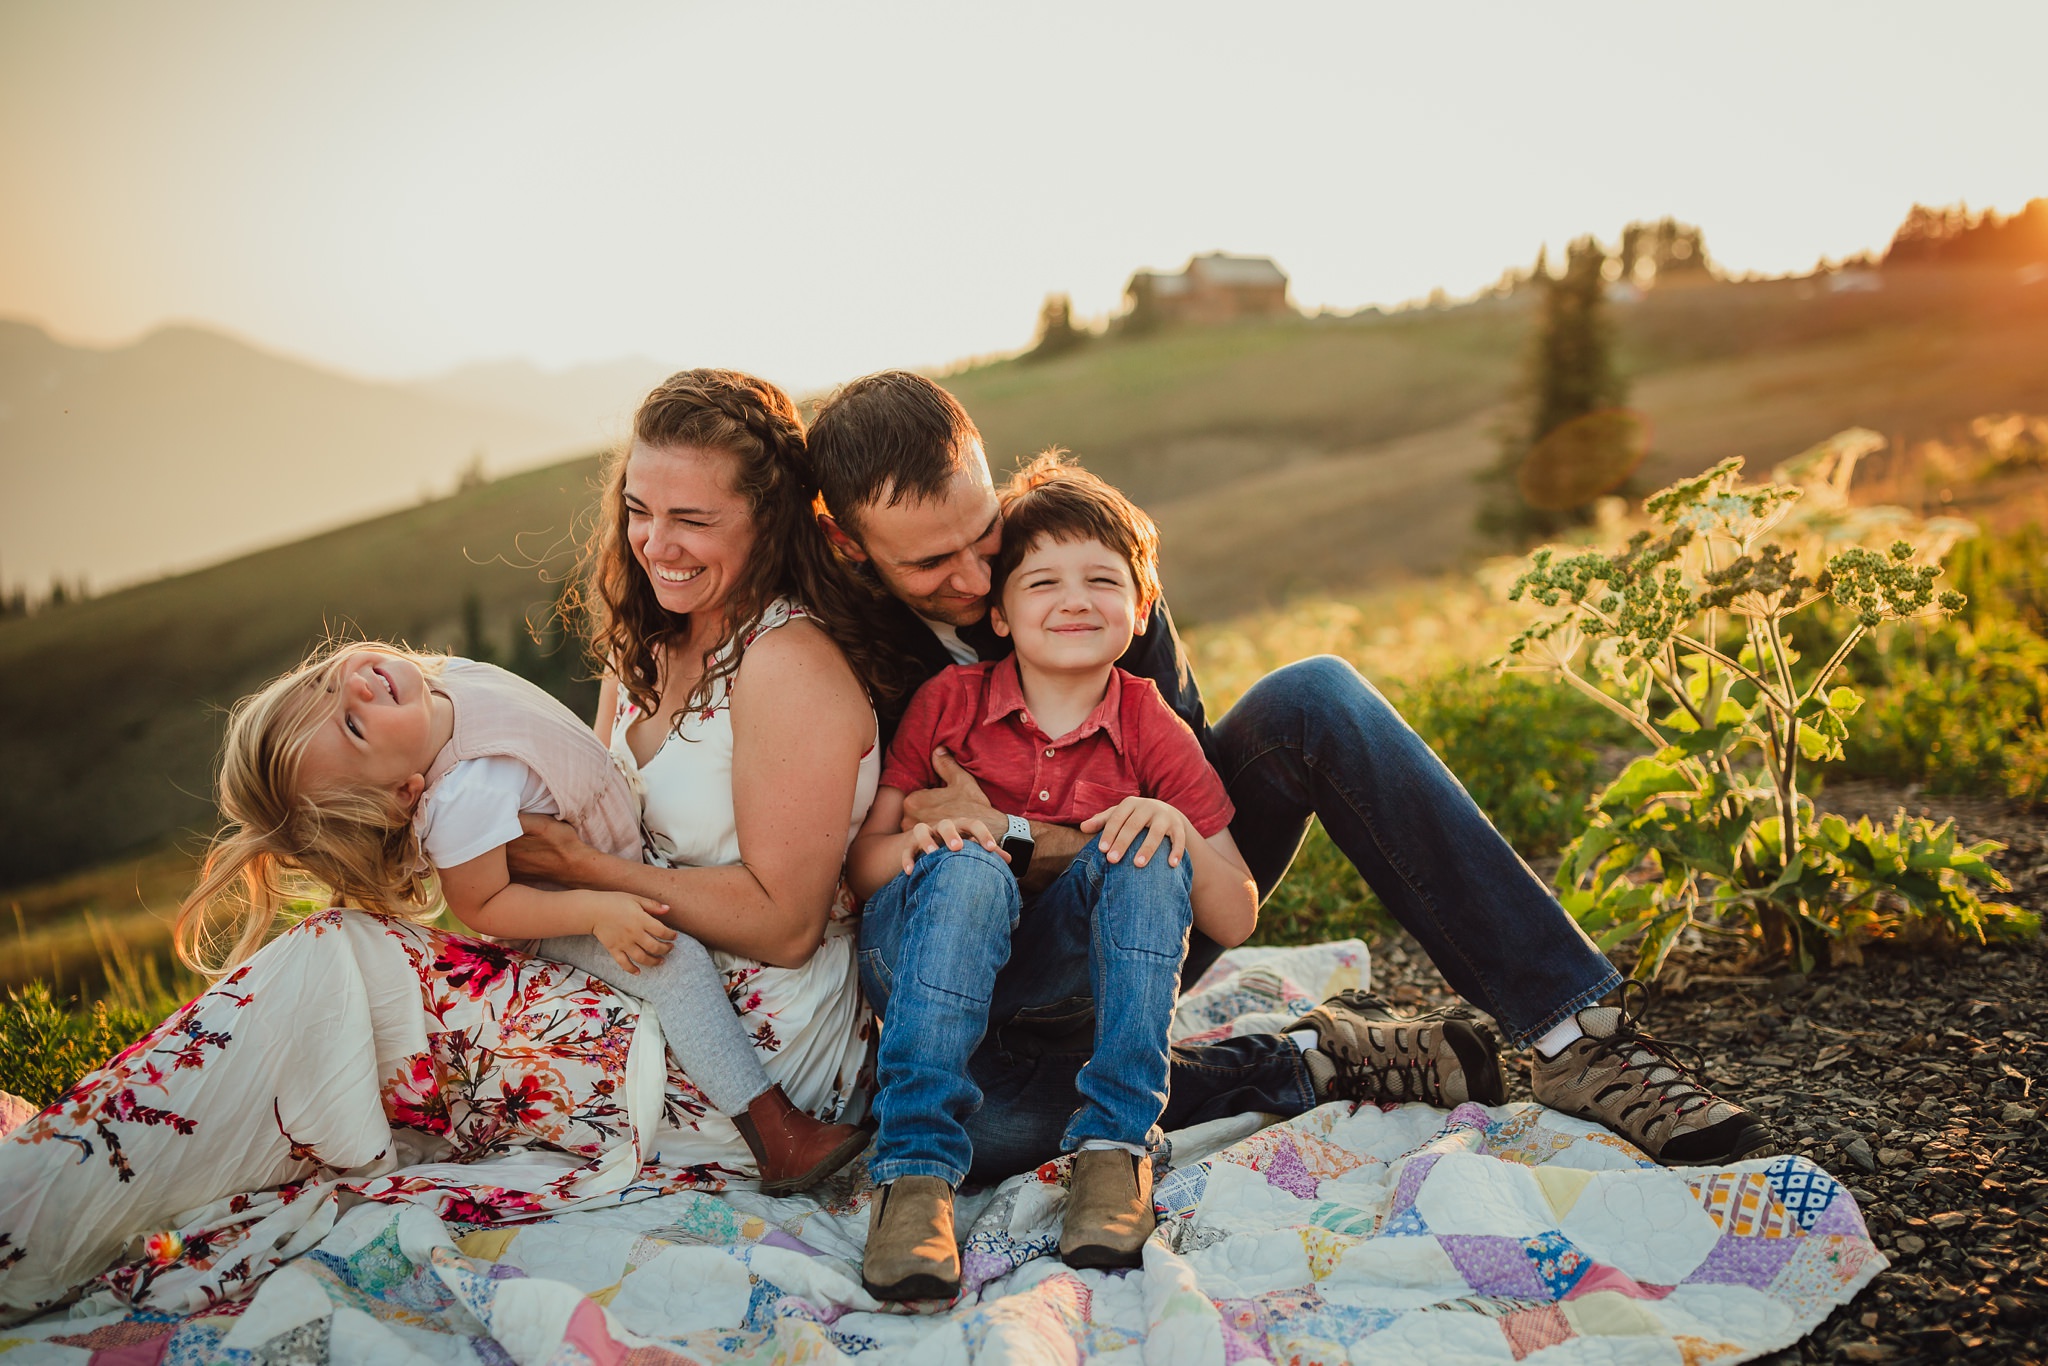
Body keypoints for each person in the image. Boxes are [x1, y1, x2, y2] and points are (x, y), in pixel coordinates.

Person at [0, 369, 900, 1323]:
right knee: (340, 961)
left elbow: (789, 923)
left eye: (693, 519)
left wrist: (584, 873)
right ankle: (59, 1185)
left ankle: (35, 1213)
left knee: (334, 973)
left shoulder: (786, 664)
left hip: (762, 1042)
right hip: (635, 968)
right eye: (639, 510)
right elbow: (575, 809)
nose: (655, 544)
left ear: (768, 521)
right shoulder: (657, 640)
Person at [805, 370, 1773, 1169]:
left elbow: (1175, 811)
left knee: (1315, 694)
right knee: (976, 1128)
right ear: (850, 545)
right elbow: (869, 867)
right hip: (983, 973)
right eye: (933, 565)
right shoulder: (841, 647)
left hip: (1140, 912)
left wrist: (1028, 835)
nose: (977, 580)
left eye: (983, 537)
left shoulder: (1067, 557)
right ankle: (1306, 1059)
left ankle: (1574, 1038)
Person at [176, 638, 868, 1196]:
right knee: (670, 959)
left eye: (325, 685)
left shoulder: (440, 680)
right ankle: (776, 1135)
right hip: (554, 912)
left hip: (606, 854)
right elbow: (489, 907)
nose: (358, 687)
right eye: (354, 728)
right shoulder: (462, 791)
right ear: (403, 791)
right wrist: (596, 912)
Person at [848, 454, 1264, 1296]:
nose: (1074, 600)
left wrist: (1176, 826)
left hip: (1047, 990)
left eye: (1101, 580)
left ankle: (1113, 1152)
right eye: (1042, 583)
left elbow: (1240, 915)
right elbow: (863, 869)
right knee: (969, 868)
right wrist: (940, 845)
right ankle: (915, 1173)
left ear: (1140, 606)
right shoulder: (949, 703)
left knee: (1147, 845)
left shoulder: (1151, 723)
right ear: (998, 615)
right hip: (923, 955)